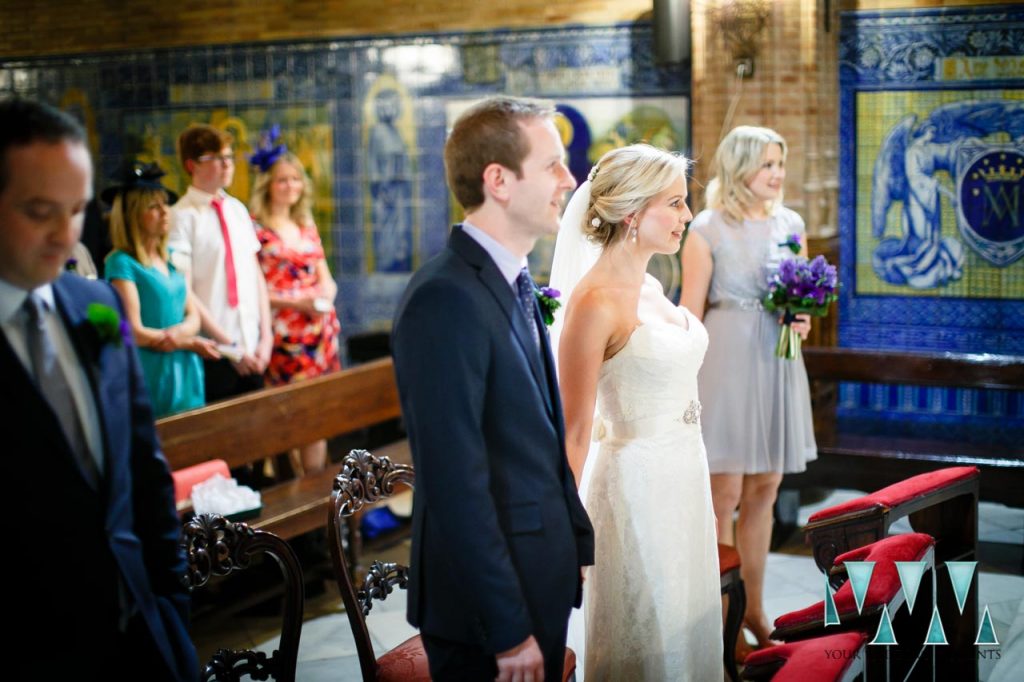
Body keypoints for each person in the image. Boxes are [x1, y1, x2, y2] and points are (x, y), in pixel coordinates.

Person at [391, 96, 594, 682]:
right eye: (553, 164)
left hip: (537, 574)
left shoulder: (514, 279)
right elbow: (455, 481)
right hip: (488, 610)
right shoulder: (445, 297)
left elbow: (538, 438)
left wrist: (574, 544)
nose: (569, 179)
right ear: (499, 180)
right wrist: (506, 629)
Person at [0, 99, 197, 680]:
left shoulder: (95, 305)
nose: (66, 236)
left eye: (77, 210)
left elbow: (143, 469)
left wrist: (171, 610)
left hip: (139, 629)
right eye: (40, 212)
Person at [552, 144, 722, 680]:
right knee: (647, 635)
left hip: (684, 475)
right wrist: (564, 530)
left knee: (686, 628)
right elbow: (575, 430)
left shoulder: (649, 286)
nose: (687, 216)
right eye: (674, 203)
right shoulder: (593, 302)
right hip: (634, 490)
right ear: (631, 212)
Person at [681, 125, 817, 652]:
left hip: (778, 359)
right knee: (726, 495)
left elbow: (801, 292)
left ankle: (757, 610)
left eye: (780, 163)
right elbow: (692, 310)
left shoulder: (791, 224)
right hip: (727, 360)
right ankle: (723, 620)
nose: (777, 174)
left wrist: (801, 318)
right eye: (767, 164)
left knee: (765, 489)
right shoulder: (707, 229)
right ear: (739, 168)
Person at [250, 143, 341, 473]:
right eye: (282, 180)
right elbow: (255, 289)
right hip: (284, 335)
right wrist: (296, 302)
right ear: (267, 186)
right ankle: (296, 483)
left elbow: (326, 277)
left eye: (295, 179)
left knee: (317, 412)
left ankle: (317, 493)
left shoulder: (306, 225)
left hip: (318, 331)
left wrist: (325, 300)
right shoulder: (255, 229)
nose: (290, 186)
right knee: (293, 414)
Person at [104, 161, 218, 418]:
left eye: (165, 204)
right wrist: (186, 341)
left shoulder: (169, 257)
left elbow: (193, 315)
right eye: (154, 207)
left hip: (184, 366)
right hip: (153, 369)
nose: (165, 212)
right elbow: (134, 332)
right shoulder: (122, 262)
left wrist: (180, 337)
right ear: (133, 215)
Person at [168, 124, 273, 403]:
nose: (226, 164)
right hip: (215, 349)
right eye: (215, 158)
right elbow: (184, 289)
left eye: (229, 157)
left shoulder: (237, 210)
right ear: (192, 165)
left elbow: (256, 276)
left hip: (253, 344)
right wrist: (229, 346)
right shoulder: (182, 216)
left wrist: (266, 337)